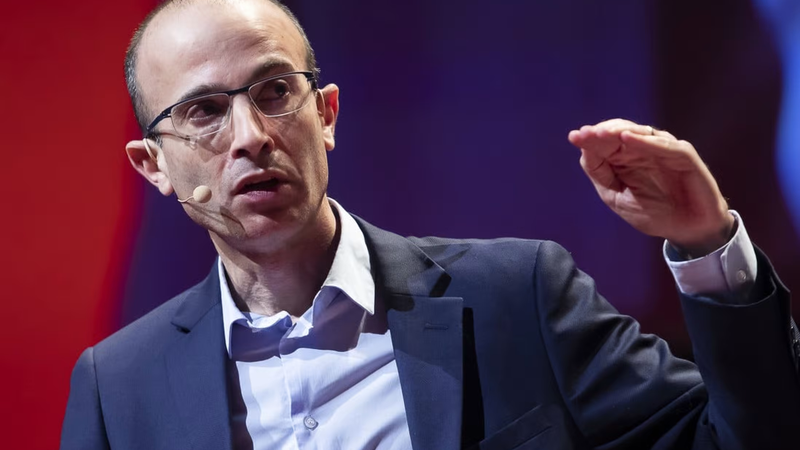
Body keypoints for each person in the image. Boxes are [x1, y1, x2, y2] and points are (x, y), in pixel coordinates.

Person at [61, 0, 800, 449]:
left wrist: (708, 246)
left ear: (326, 116)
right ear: (153, 166)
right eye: (203, 111)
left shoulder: (517, 298)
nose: (251, 136)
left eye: (276, 91)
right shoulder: (118, 387)